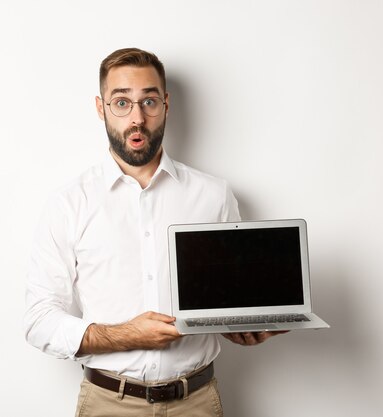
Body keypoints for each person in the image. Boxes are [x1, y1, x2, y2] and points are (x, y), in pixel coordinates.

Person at [24, 47, 286, 416]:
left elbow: (225, 299)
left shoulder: (213, 195)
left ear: (165, 104)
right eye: (121, 102)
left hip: (195, 401)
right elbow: (40, 321)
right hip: (107, 403)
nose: (137, 118)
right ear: (101, 108)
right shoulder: (69, 203)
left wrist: (242, 325)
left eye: (148, 101)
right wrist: (123, 334)